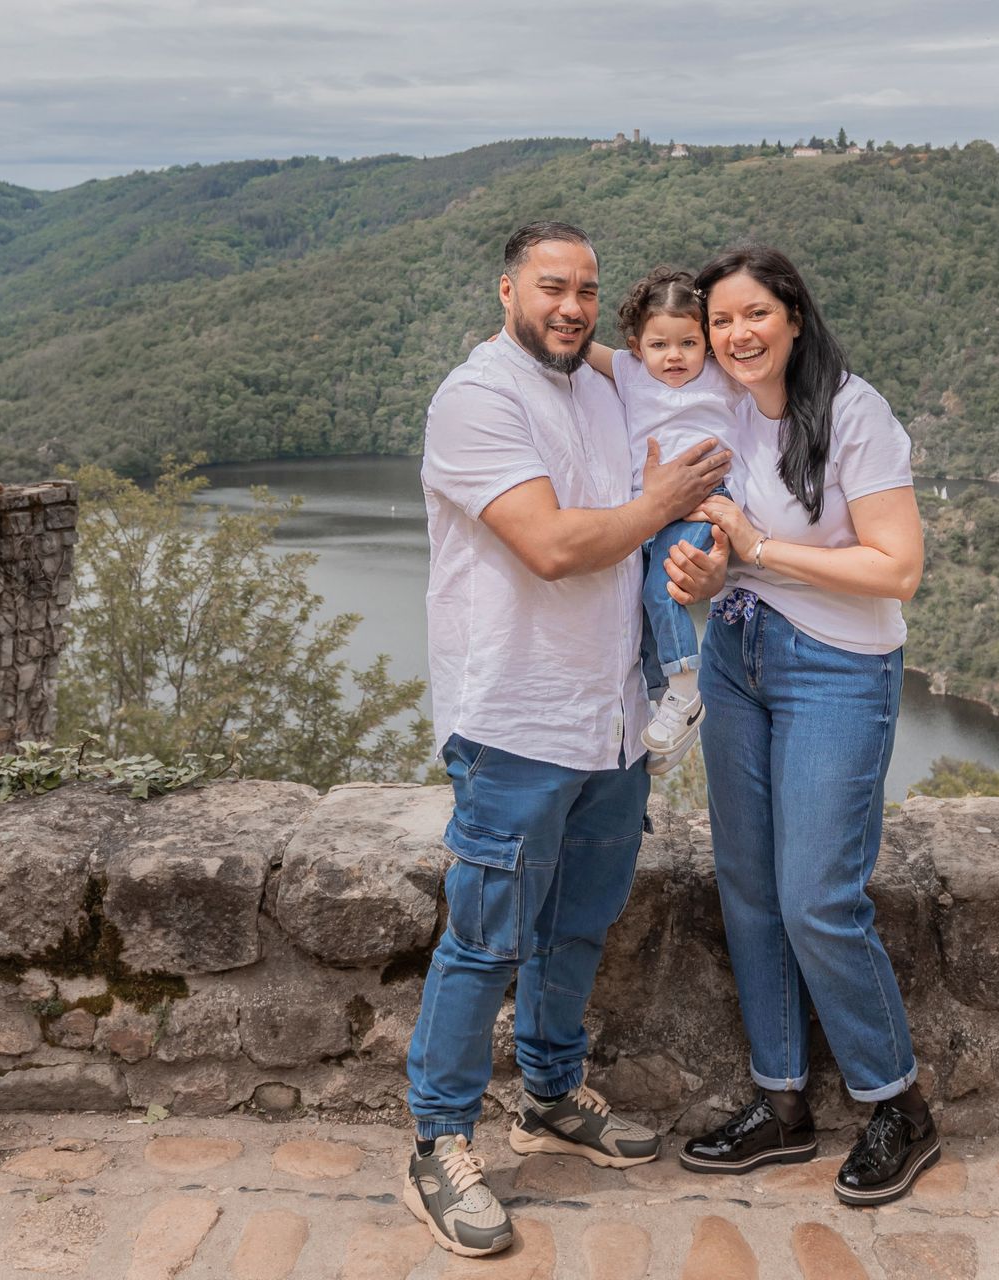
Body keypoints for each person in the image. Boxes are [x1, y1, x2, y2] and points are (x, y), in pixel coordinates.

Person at [407, 221, 730, 1257]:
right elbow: (549, 545)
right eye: (553, 286)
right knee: (486, 934)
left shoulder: (596, 384)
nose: (573, 305)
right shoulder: (478, 399)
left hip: (609, 718)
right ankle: (438, 1139)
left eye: (588, 289)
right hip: (514, 716)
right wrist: (663, 502)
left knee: (577, 925)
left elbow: (658, 368)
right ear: (506, 289)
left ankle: (548, 1092)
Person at [676, 244, 936, 1207]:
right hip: (736, 657)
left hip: (837, 667)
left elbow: (895, 568)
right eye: (720, 322)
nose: (736, 336)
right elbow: (723, 551)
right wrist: (712, 572)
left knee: (816, 896)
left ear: (792, 317)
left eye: (755, 316)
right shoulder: (718, 409)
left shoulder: (855, 414)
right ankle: (780, 1104)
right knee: (747, 889)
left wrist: (761, 548)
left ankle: (899, 1105)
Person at [583, 265, 745, 769]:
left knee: (663, 590)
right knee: (643, 605)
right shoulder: (631, 372)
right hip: (647, 506)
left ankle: (684, 693)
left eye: (688, 344)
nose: (674, 356)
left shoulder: (724, 377)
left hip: (701, 500)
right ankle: (664, 709)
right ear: (637, 346)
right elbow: (584, 348)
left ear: (708, 345)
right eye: (659, 345)